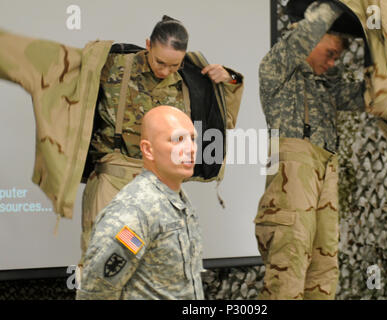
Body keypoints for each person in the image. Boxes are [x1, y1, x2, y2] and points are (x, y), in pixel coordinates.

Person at [80, 16, 244, 260]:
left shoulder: (191, 81)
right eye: (160, 62)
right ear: (148, 45)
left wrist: (229, 79)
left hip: (160, 188)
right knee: (109, 259)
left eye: (174, 65)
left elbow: (224, 120)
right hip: (114, 181)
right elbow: (69, 82)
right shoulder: (113, 64)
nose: (165, 71)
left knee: (153, 265)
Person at [254, 1, 365, 300]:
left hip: (325, 173)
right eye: (330, 53)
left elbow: (369, 96)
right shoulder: (278, 68)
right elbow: (303, 36)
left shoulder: (324, 86)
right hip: (294, 178)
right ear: (307, 35)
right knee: (288, 269)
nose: (332, 63)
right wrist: (336, 5)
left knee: (324, 268)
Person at [76, 105, 203, 300]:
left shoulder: (178, 199)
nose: (190, 149)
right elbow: (97, 292)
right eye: (177, 139)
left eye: (192, 139)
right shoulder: (135, 212)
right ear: (148, 150)